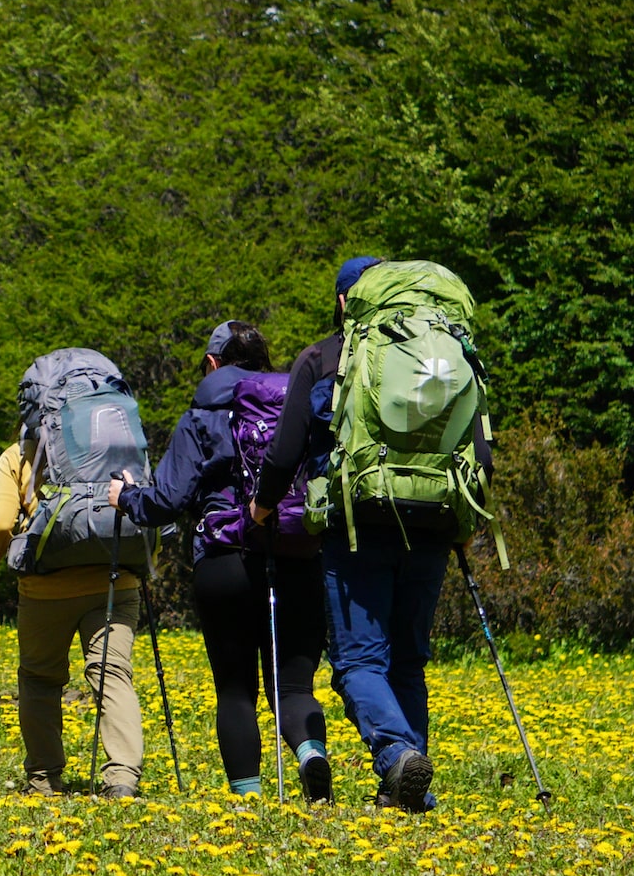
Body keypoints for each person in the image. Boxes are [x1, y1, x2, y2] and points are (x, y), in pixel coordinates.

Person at [251, 256, 488, 812]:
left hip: (359, 524)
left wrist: (261, 507)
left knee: (359, 662)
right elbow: (480, 444)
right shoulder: (445, 348)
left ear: (343, 301)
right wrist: (466, 518)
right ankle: (409, 788)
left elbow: (285, 449)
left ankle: (398, 757)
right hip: (434, 521)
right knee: (407, 660)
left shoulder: (323, 357)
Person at [110, 321, 334, 802]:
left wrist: (126, 497)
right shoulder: (299, 402)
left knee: (235, 689)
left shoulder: (202, 413)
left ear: (212, 364)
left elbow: (168, 499)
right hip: (296, 554)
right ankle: (310, 753)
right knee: (293, 685)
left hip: (224, 561)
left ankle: (249, 798)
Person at [0, 373, 145, 799]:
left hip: (45, 589)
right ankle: (122, 778)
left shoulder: (18, 456)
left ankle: (43, 779)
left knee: (39, 679)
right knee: (112, 675)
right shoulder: (117, 446)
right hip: (115, 577)